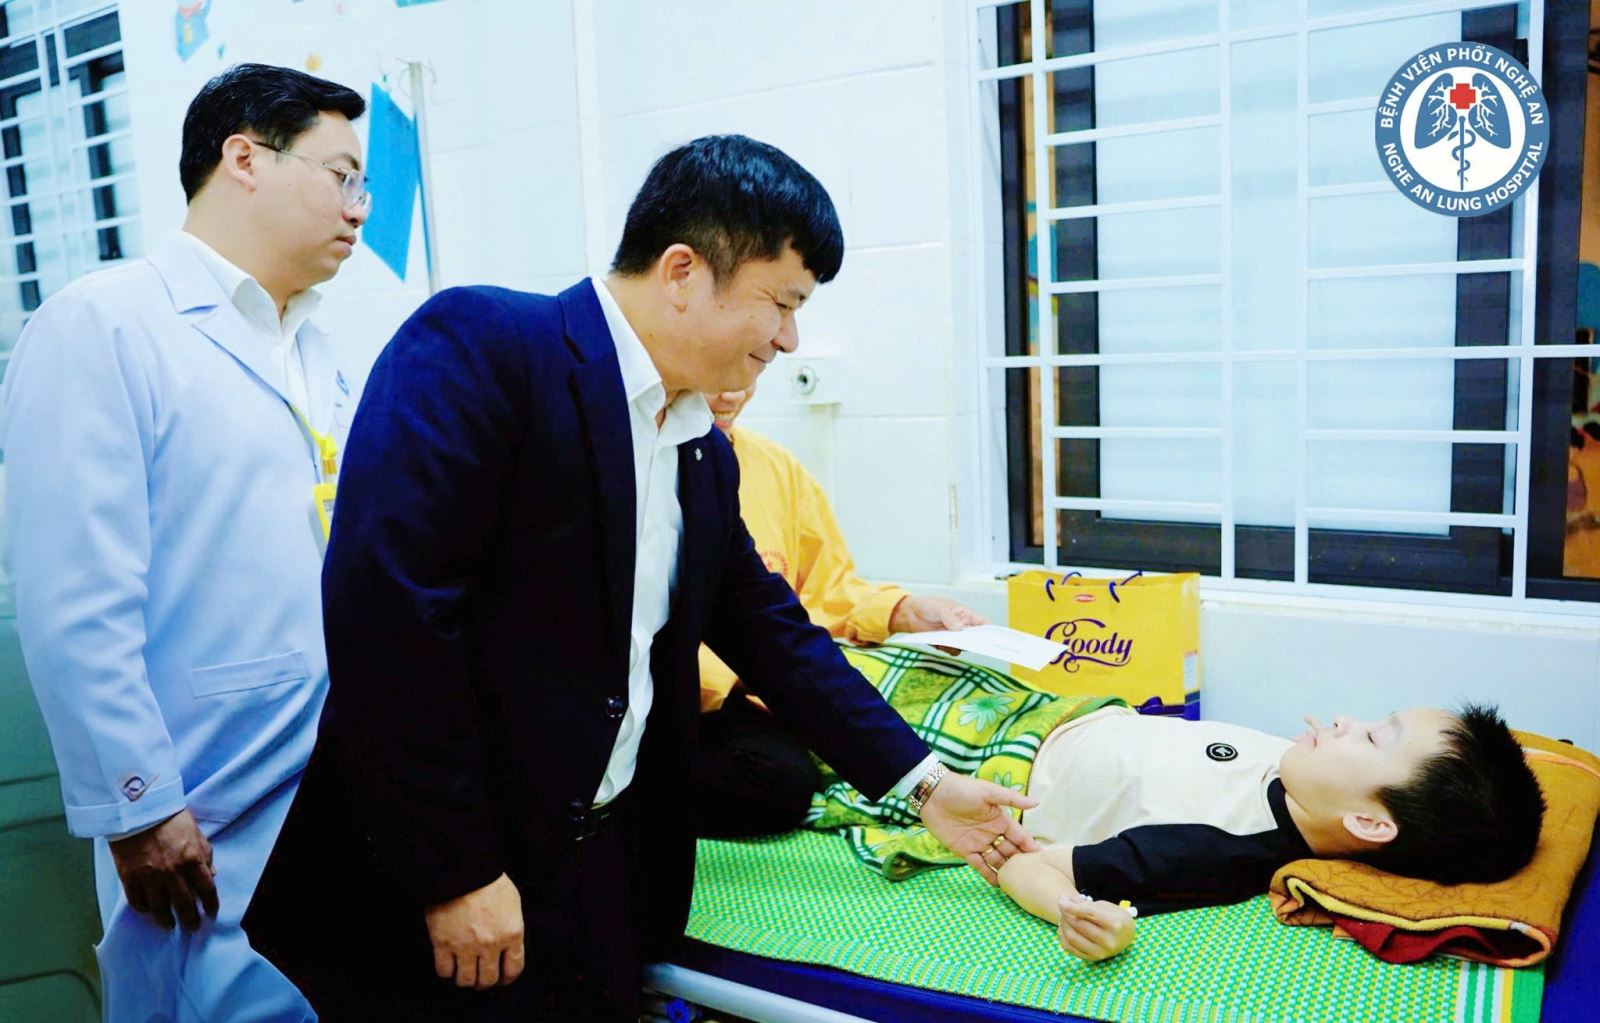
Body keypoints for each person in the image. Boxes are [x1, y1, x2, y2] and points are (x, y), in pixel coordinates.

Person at [243, 134, 1039, 1022]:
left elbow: (774, 635)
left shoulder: (700, 451)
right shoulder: (488, 350)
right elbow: (389, 621)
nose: (789, 338)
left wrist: (927, 787)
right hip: (454, 876)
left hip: (598, 867)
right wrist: (456, 873)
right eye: (782, 302)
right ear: (683, 272)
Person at [0, 64, 369, 1021]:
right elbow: (73, 596)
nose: (359, 208)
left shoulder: (313, 346)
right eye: (341, 176)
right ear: (244, 158)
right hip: (196, 807)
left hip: (319, 784)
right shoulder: (104, 323)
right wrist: (139, 805)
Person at [995, 702, 1545, 962]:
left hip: (1002, 759)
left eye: (1374, 738)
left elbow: (1022, 863)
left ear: (1370, 823)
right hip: (1063, 708)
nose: (1346, 721)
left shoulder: (1217, 852)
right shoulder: (1299, 769)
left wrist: (1077, 913)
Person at [696, 383, 988, 837]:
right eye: (721, 376)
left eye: (752, 369)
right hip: (675, 698)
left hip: (759, 686)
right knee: (777, 780)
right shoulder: (646, 469)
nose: (730, 395)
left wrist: (903, 612)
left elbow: (814, 596)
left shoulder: (774, 467)